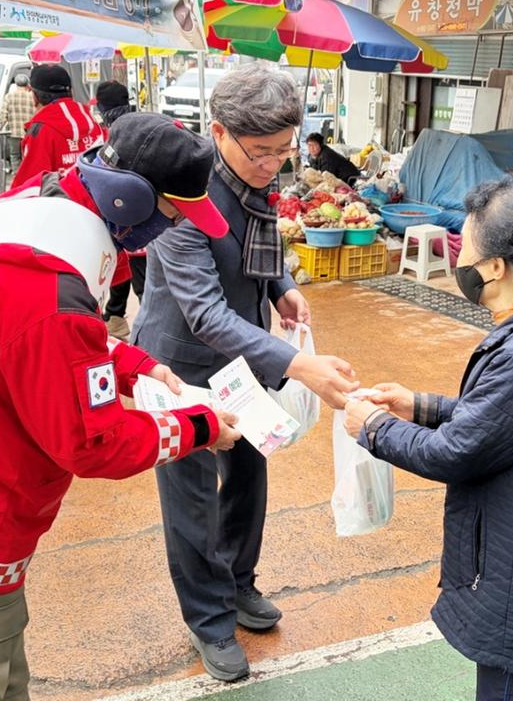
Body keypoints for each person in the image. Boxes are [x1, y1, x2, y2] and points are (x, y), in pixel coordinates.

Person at [0, 113, 243, 701]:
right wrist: (200, 425)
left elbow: (35, 345)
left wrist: (138, 367)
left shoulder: (32, 216)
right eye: (171, 215)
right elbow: (93, 442)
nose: (167, 233)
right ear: (129, 199)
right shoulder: (52, 290)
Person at [344, 178, 513, 701]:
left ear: (494, 267)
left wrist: (372, 427)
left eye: (465, 249)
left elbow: (457, 452)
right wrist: (418, 406)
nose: (460, 260)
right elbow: (505, 422)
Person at [133, 64, 359, 682]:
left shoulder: (255, 179)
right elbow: (204, 313)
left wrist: (281, 287)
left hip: (244, 358)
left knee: (250, 475)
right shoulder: (184, 197)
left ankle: (237, 584)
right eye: (261, 152)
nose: (273, 164)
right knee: (192, 497)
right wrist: (300, 364)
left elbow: (265, 242)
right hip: (179, 367)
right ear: (219, 133)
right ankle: (208, 620)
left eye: (284, 150)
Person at [11, 64, 106, 190]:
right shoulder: (95, 124)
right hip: (94, 203)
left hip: (59, 206)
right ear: (71, 92)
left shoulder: (40, 131)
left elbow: (29, 185)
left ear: (34, 97)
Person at [95, 80, 140, 340]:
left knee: (139, 279)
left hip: (129, 219)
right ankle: (115, 317)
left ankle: (121, 319)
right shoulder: (137, 125)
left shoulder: (115, 135)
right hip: (139, 221)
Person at [0, 73, 37, 175]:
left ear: (16, 84)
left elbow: (3, 114)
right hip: (29, 132)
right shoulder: (32, 97)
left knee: (15, 155)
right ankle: (27, 175)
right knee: (28, 155)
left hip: (14, 132)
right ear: (27, 84)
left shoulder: (9, 97)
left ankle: (17, 175)